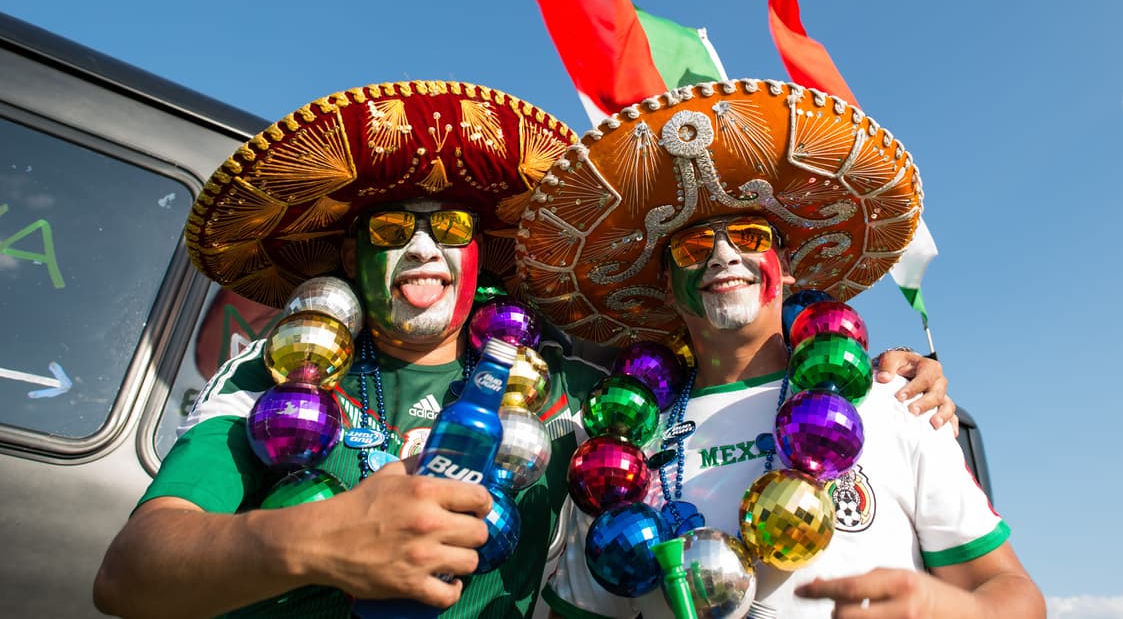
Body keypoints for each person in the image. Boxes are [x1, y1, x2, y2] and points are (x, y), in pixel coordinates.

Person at [93, 79, 952, 619]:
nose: (424, 252)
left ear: (479, 257)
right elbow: (130, 576)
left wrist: (873, 369)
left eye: (451, 229)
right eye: (391, 229)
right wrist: (314, 542)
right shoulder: (274, 370)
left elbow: (727, 357)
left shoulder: (580, 393)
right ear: (351, 258)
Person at [517, 79, 1045, 618]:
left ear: (787, 268)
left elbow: (1010, 590)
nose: (723, 256)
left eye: (748, 237)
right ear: (666, 285)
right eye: (694, 246)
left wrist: (947, 610)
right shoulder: (611, 445)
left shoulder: (892, 404)